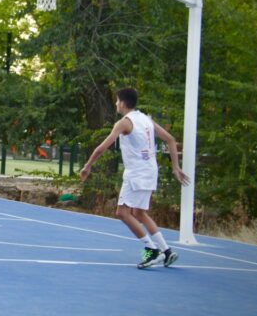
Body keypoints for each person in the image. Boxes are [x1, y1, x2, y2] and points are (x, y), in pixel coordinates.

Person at [80, 87, 190, 269]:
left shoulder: (124, 122)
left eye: (116, 101)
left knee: (122, 213)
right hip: (150, 171)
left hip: (137, 173)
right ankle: (167, 251)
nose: (116, 104)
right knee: (139, 212)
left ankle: (152, 251)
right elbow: (170, 139)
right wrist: (175, 167)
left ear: (122, 103)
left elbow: (102, 147)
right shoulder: (146, 119)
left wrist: (88, 165)